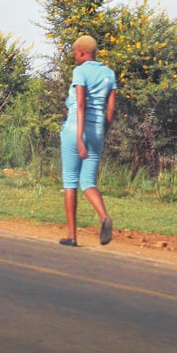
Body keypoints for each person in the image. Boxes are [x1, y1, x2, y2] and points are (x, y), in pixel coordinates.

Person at [59, 35, 117, 247]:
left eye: (75, 53)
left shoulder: (80, 71)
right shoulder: (109, 74)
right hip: (97, 131)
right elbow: (111, 109)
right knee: (88, 182)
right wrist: (103, 131)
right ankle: (104, 217)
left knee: (70, 181)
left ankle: (72, 235)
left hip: (76, 129)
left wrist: (79, 137)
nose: (74, 57)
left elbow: (81, 104)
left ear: (82, 52)